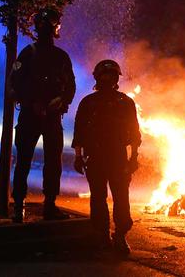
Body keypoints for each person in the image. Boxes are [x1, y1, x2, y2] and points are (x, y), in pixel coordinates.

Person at [9, 7, 76, 223]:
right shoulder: (31, 53)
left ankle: (38, 206)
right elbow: (15, 84)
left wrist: (62, 101)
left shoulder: (57, 56)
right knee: (28, 162)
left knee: (47, 162)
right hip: (31, 115)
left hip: (49, 116)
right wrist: (33, 102)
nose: (49, 30)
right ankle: (24, 205)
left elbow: (70, 86)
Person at [71, 59, 141, 255]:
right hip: (95, 156)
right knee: (98, 198)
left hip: (118, 157)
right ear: (97, 78)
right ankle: (103, 235)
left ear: (116, 78)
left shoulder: (126, 102)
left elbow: (135, 133)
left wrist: (134, 157)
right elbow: (80, 132)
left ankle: (120, 235)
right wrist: (78, 156)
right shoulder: (88, 102)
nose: (108, 79)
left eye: (111, 75)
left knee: (121, 197)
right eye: (104, 75)